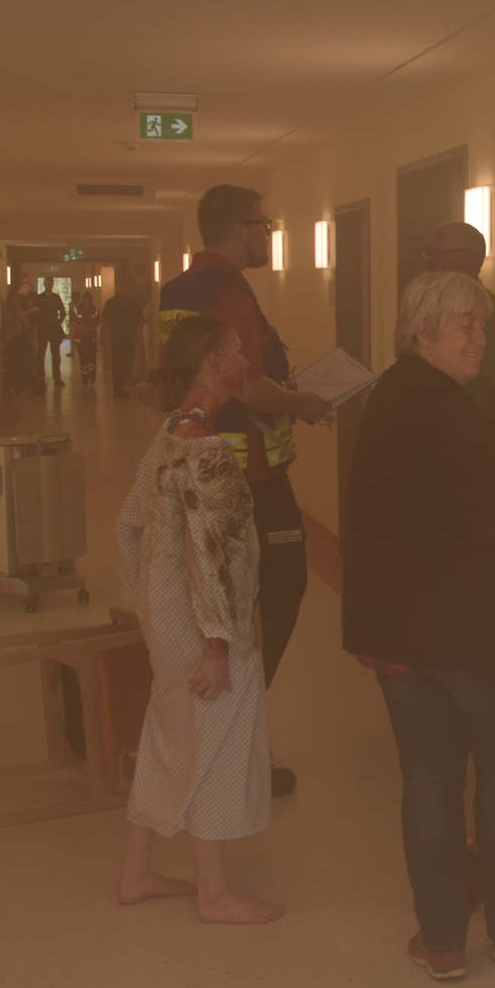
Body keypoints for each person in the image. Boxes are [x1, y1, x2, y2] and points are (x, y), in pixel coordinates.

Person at [341, 270, 495, 982]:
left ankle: (443, 941)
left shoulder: (389, 397)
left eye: (482, 324)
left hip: (402, 635)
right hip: (478, 635)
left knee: (429, 778)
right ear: (423, 331)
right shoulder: (449, 408)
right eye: (465, 325)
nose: (479, 338)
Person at [160, 186, 331, 797]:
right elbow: (248, 384)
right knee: (274, 597)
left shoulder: (178, 290)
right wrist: (302, 403)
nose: (268, 234)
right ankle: (235, 736)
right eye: (265, 224)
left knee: (226, 604)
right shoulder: (230, 293)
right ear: (239, 229)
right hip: (247, 477)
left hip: (202, 464)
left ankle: (225, 736)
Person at [114, 315, 282, 925]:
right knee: (217, 741)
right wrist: (216, 644)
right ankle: (214, 894)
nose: (245, 361)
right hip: (203, 627)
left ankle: (135, 874)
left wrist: (145, 601)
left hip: (166, 617)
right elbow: (214, 556)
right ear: (213, 363)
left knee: (167, 735)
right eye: (236, 351)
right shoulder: (207, 450)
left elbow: (128, 524)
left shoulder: (168, 435)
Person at [422, 222, 495, 448]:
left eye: (437, 253)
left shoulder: (488, 313)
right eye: (426, 253)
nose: (428, 261)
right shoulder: (433, 310)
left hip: (472, 445)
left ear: (468, 258)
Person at [101, 285, 144, 395]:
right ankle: (121, 385)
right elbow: (140, 320)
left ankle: (117, 386)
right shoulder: (132, 303)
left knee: (117, 361)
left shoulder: (111, 302)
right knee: (127, 361)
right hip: (129, 336)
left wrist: (102, 336)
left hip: (116, 336)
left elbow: (105, 321)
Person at [34, 281, 68, 388]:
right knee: (41, 355)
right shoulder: (39, 298)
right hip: (43, 328)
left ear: (52, 284)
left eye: (50, 283)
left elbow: (63, 312)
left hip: (53, 328)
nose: (48, 285)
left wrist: (57, 322)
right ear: (44, 284)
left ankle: (57, 378)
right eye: (46, 283)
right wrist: (39, 323)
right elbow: (35, 313)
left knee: (56, 355)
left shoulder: (55, 297)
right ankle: (41, 379)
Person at [69, 288, 100, 386]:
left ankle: (92, 375)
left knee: (92, 357)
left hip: (91, 336)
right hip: (80, 337)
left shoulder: (95, 309)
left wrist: (90, 328)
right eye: (85, 300)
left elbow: (97, 321)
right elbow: (73, 321)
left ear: (91, 300)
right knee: (82, 357)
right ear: (82, 300)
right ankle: (85, 376)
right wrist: (82, 328)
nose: (87, 302)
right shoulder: (76, 309)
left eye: (88, 300)